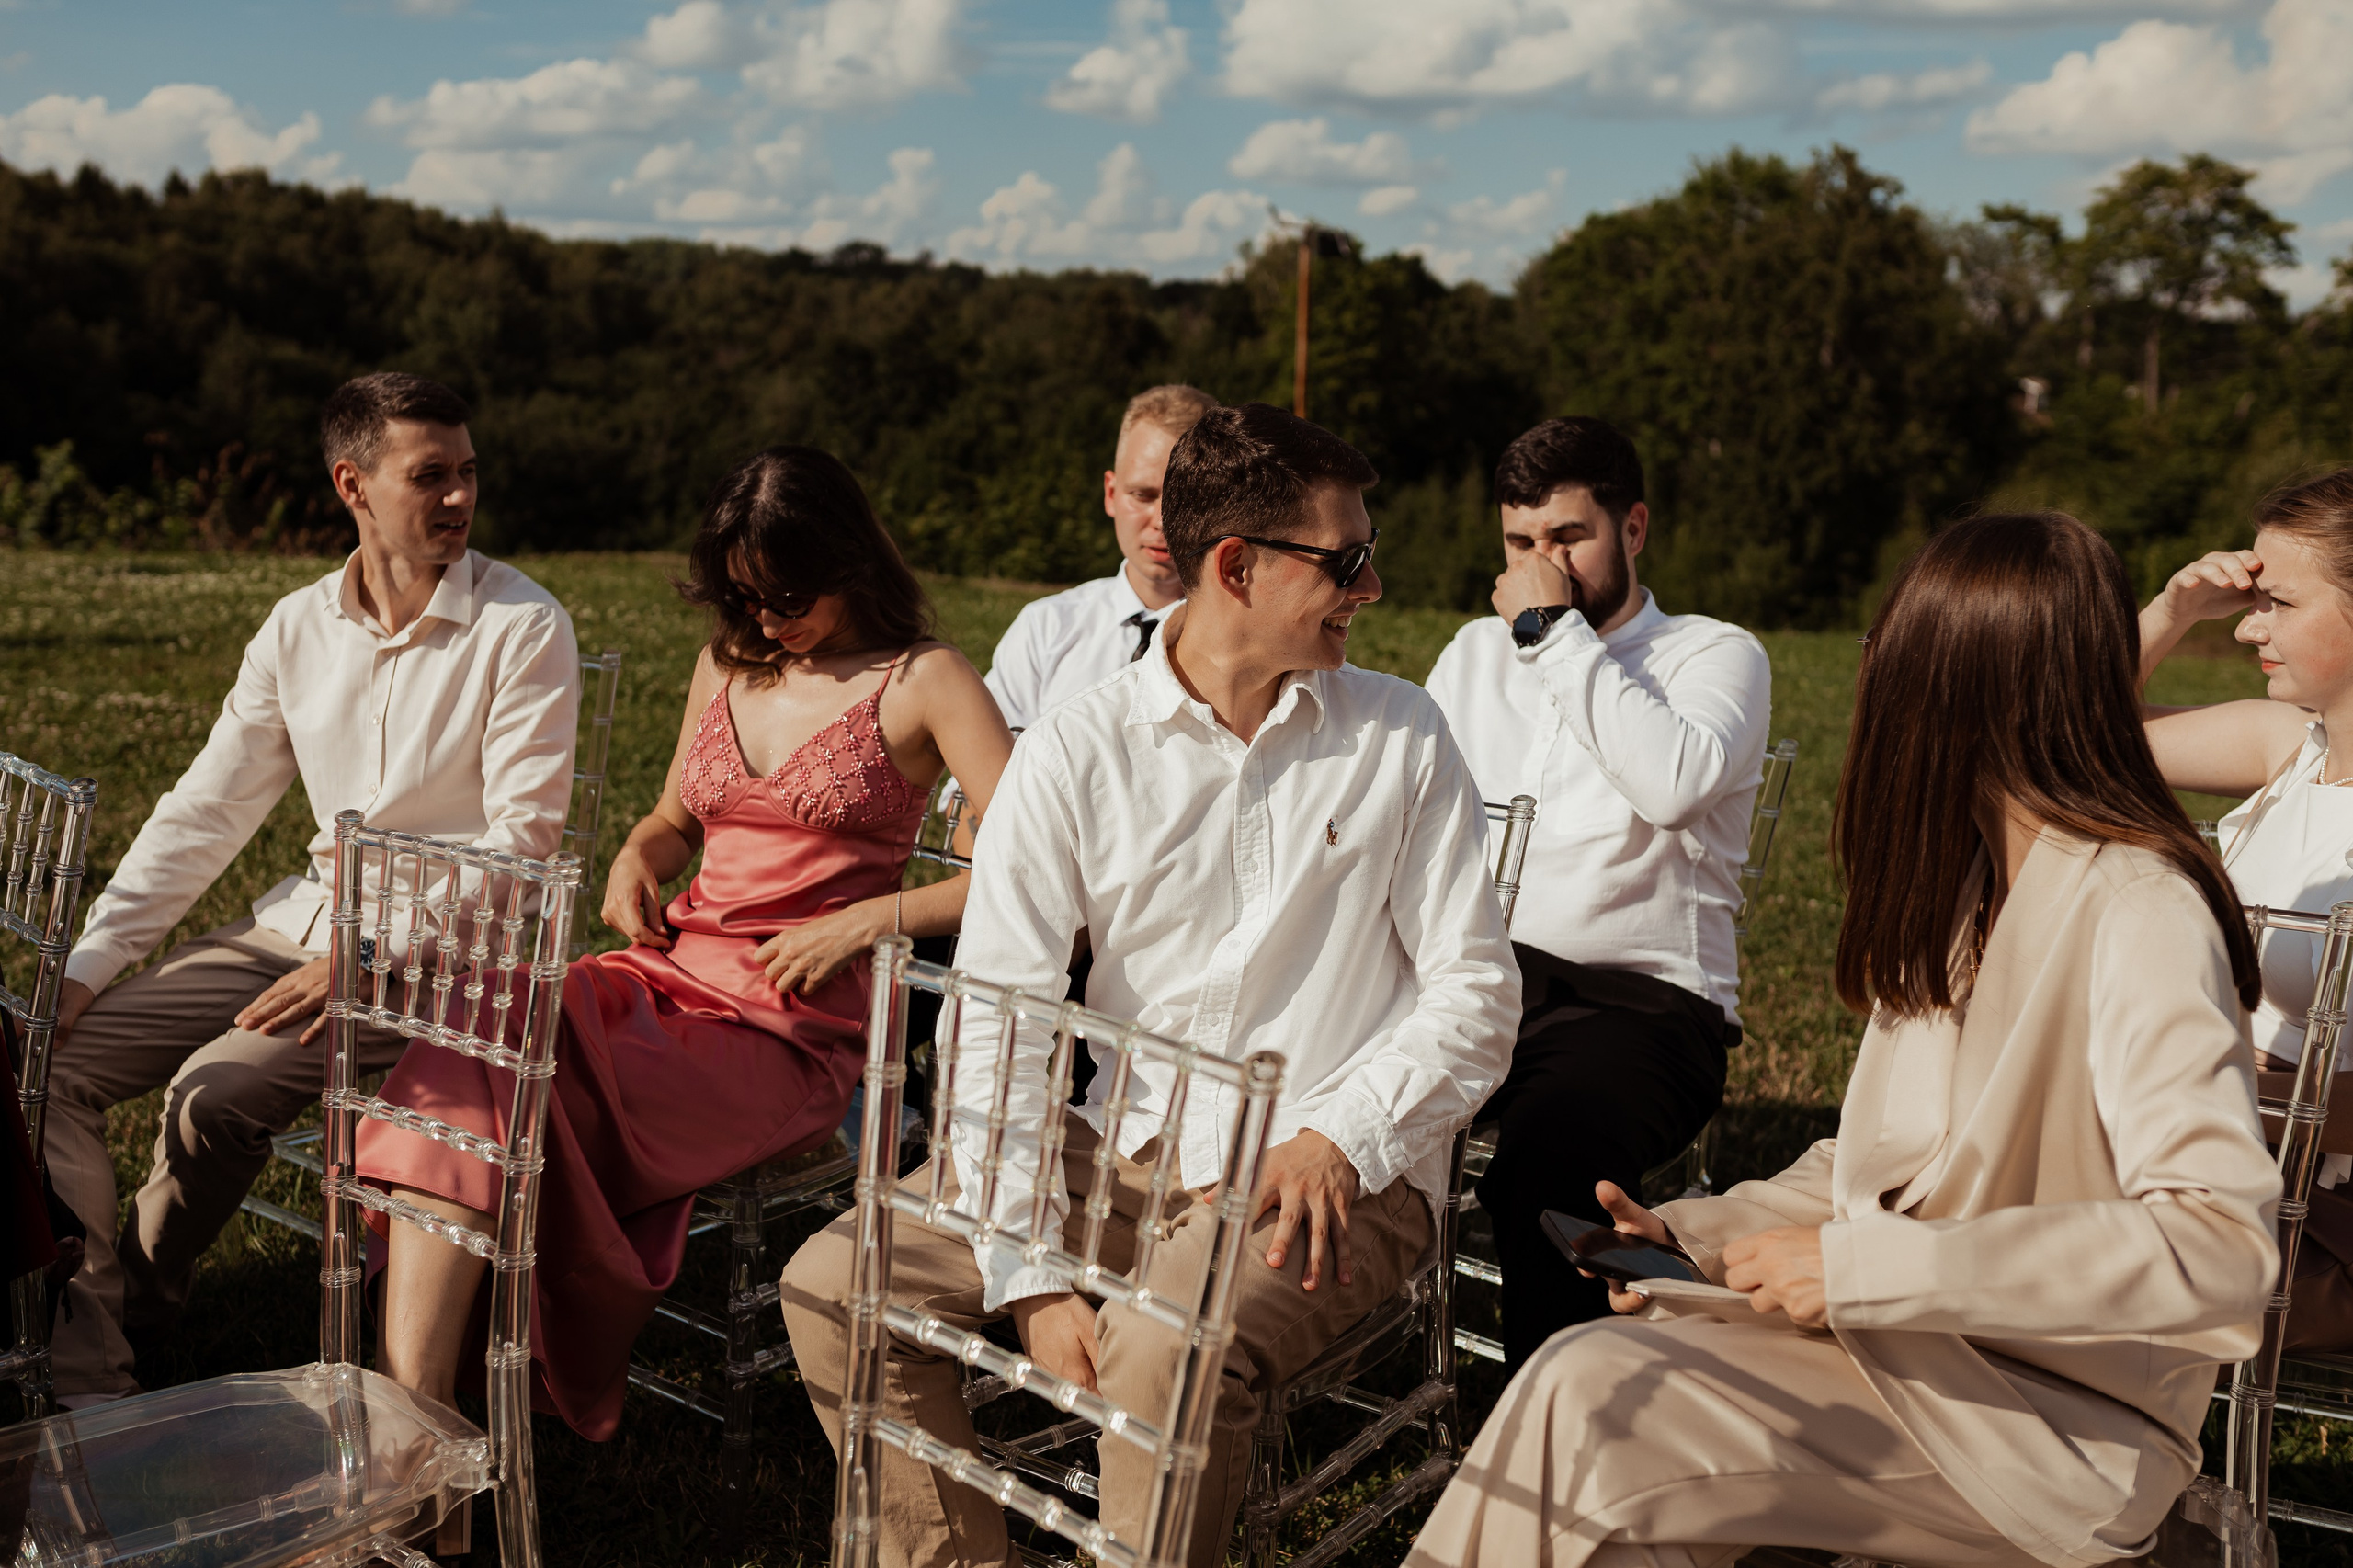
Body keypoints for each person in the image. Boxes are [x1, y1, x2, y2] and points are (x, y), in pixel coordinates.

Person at [1406, 511, 2279, 1568]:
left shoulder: (2138, 909)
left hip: (2050, 1428)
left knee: (1589, 1401)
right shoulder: (1972, 889)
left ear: (1959, 686)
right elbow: (1884, 1160)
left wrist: (1865, 1268)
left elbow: (2217, 1250)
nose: (1869, 683)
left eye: (1890, 654)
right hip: (1917, 1357)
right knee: (1605, 1375)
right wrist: (1701, 1236)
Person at [780, 403, 1520, 1568]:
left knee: (1157, 1352)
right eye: (1347, 560)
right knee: (836, 1284)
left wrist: (1343, 1133)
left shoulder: (1402, 735)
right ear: (1235, 564)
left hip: (1331, 1171)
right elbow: (997, 1016)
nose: (1369, 588)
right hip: (1120, 1144)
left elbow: (1476, 995)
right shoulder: (1079, 747)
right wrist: (1026, 1274)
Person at [358, 446, 1014, 1456]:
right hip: (669, 975)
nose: (764, 620)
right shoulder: (727, 662)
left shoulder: (924, 680)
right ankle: (428, 1413)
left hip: (789, 1027)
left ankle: (421, 1435)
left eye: (786, 596)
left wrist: (866, 920)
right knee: (480, 1031)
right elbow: (672, 819)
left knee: (501, 1060)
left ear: (850, 559)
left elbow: (1029, 870)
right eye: (744, 597)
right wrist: (633, 855)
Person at [40, 371, 580, 1407]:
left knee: (213, 1095)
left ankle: (139, 1321)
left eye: (468, 473)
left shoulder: (523, 624)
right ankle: (93, 1359)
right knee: (46, 1062)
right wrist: (89, 967)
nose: (460, 496)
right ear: (354, 485)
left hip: (435, 960)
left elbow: (522, 846)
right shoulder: (296, 625)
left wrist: (368, 956)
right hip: (298, 922)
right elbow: (206, 809)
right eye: (431, 476)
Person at [1424, 415, 1769, 1373]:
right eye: (1521, 545)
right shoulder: (1468, 653)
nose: (1545, 566)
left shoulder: (1713, 655)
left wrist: (1549, 632)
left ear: (1634, 527)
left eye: (1568, 537)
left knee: (1545, 1164)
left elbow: (1668, 782)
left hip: (1644, 1006)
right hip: (1480, 976)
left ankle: (1559, 1421)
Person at [2139, 465, 2353, 1349]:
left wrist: (2171, 1092)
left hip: (2324, 1214)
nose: (2250, 627)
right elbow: (2059, 732)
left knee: (2014, 1246)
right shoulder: (2292, 748)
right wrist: (2172, 608)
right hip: (2216, 1157)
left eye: (2281, 604)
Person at [982, 384, 1217, 730]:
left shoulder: (1246, 643)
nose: (1163, 521)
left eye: (1187, 499)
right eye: (1142, 495)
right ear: (1111, 493)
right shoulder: (1045, 630)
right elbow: (979, 773)